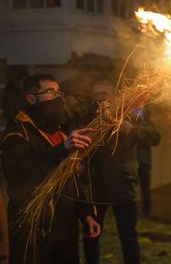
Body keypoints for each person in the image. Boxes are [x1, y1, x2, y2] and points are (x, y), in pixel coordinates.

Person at [1, 74, 101, 264]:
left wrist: (85, 213)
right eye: (49, 92)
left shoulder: (61, 133)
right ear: (31, 99)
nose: (57, 97)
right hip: (32, 226)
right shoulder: (17, 132)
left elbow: (71, 178)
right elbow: (19, 170)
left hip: (64, 226)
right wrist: (62, 150)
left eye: (58, 92)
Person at [81, 80, 159, 264]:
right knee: (91, 233)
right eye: (97, 94)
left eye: (104, 94)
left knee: (128, 235)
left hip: (123, 184)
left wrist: (132, 130)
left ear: (113, 96)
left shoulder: (129, 115)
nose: (101, 99)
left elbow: (155, 137)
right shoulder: (87, 118)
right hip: (95, 185)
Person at [133, 106, 160, 216]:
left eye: (140, 109)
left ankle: (146, 210)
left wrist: (142, 131)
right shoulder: (126, 122)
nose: (137, 112)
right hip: (131, 161)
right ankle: (132, 211)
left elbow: (156, 139)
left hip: (143, 160)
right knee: (132, 189)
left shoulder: (148, 124)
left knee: (145, 187)